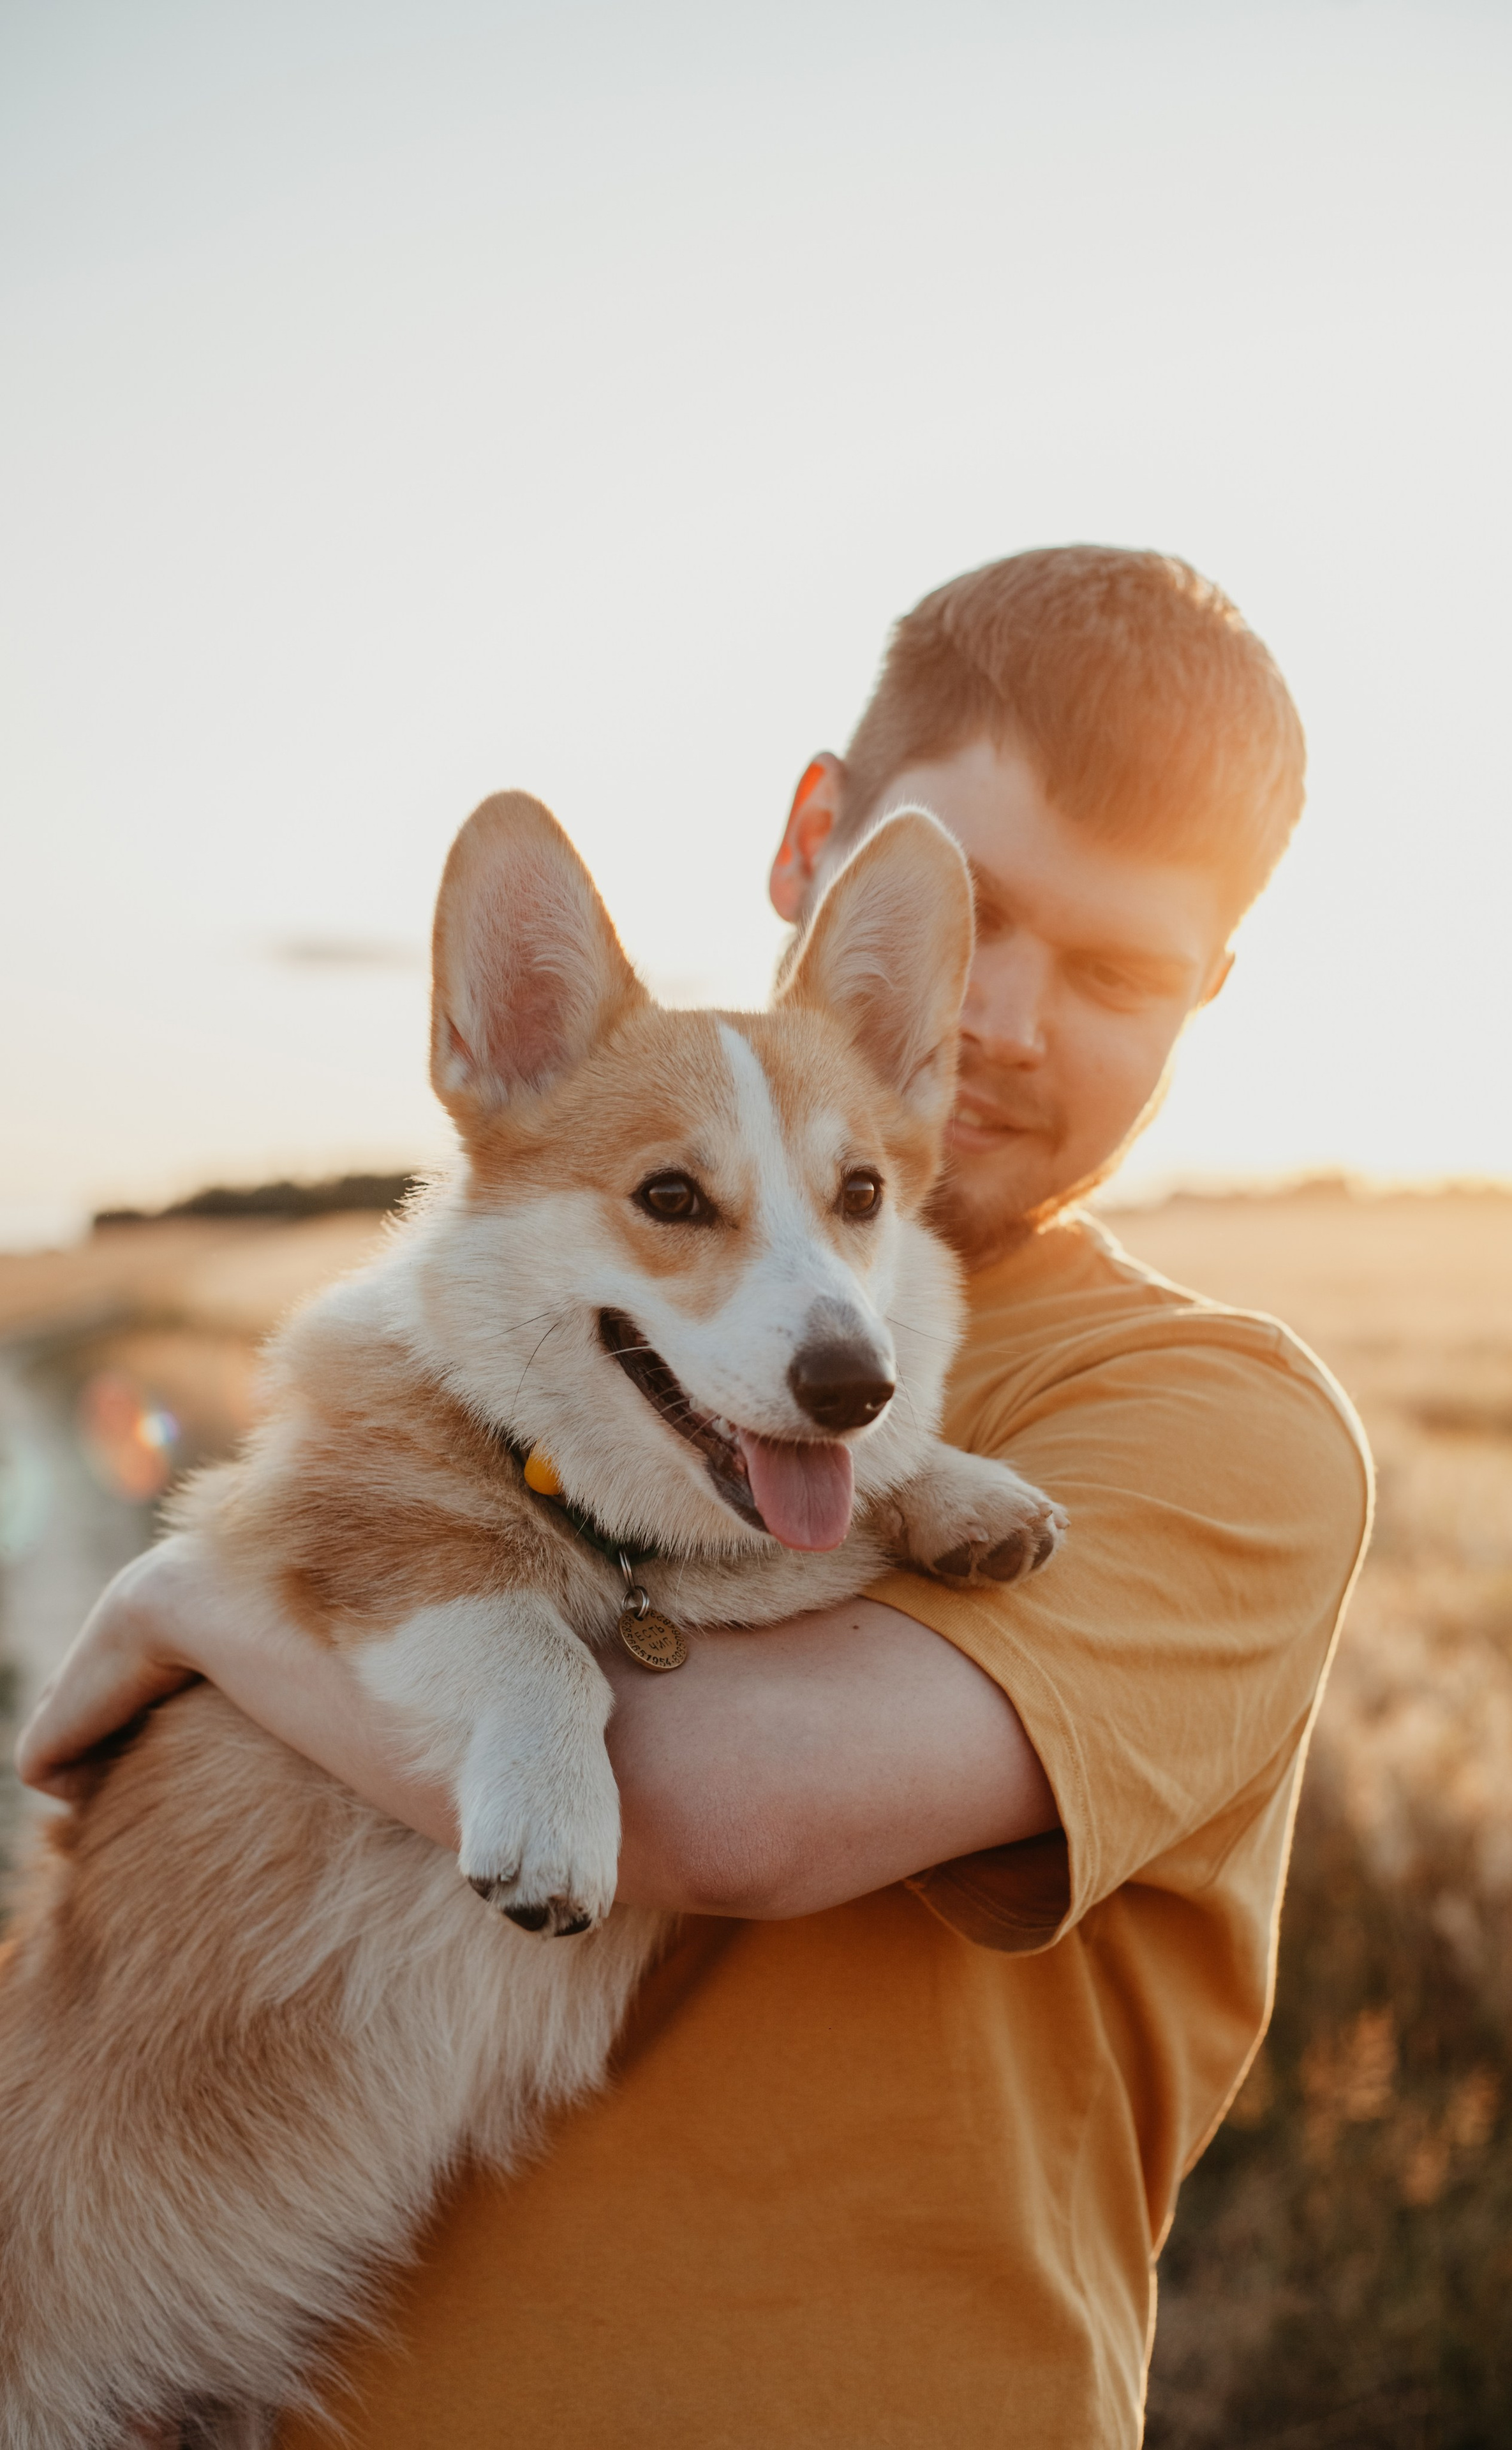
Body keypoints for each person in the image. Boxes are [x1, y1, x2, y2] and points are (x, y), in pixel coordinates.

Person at [19, 546, 1372, 2450]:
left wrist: (199, 1603)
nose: (993, 1019)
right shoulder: (538, 1313)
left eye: (1121, 969)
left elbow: (735, 1807)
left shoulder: (1213, 1420)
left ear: (1211, 990)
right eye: (967, 913)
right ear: (815, 839)